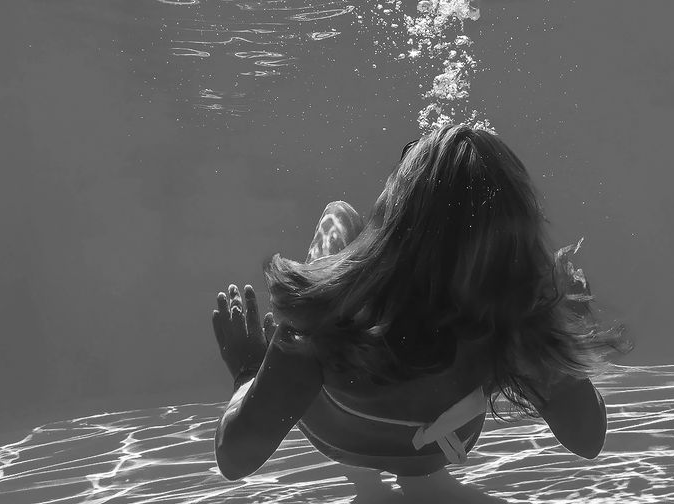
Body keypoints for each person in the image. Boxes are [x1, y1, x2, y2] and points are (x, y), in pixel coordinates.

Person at [210, 124, 631, 497]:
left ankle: (364, 477)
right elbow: (588, 439)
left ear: (394, 218)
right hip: (444, 448)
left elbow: (235, 459)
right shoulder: (517, 319)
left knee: (339, 215)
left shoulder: (322, 318)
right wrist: (561, 323)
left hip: (337, 439)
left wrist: (249, 369)